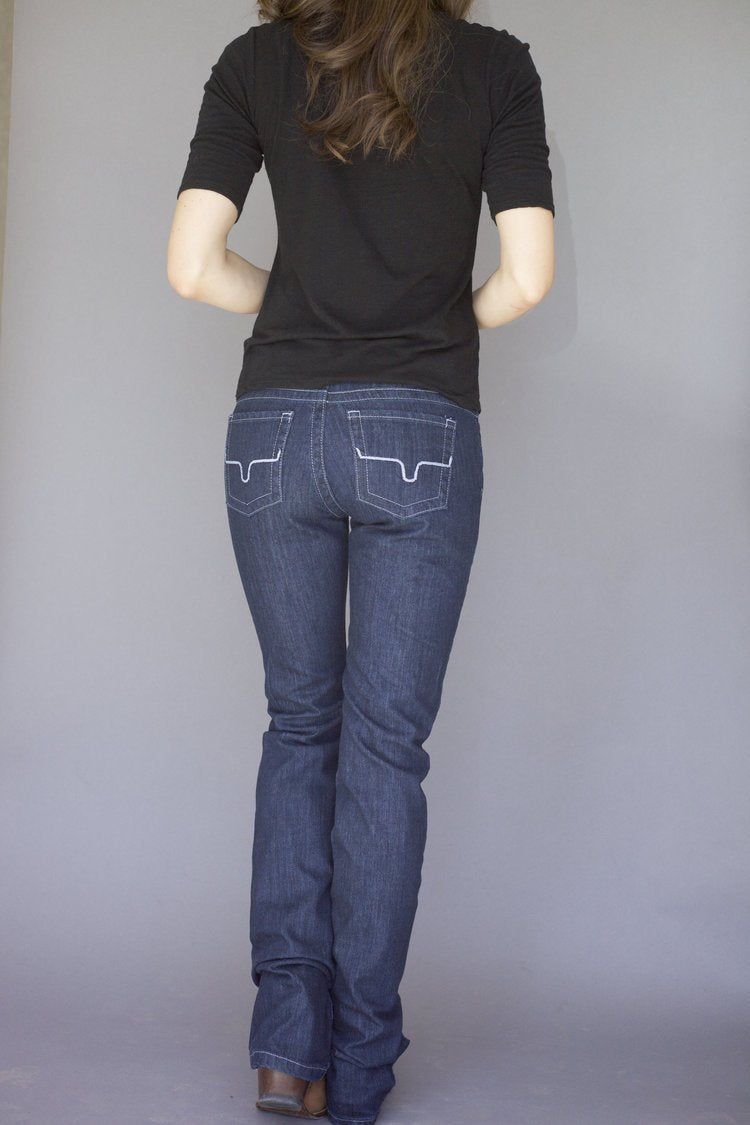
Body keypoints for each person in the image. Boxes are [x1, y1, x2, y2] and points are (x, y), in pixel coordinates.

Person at [166, 2, 555, 1122]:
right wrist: (436, 324)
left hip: (271, 433)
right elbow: (527, 278)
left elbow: (191, 267)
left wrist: (292, 301)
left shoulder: (252, 60)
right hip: (417, 430)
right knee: (386, 750)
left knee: (300, 726)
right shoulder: (495, 66)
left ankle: (287, 1050)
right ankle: (362, 1065)